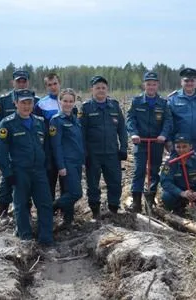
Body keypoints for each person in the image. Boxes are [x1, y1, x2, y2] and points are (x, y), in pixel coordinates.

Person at [0, 89, 53, 246]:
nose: (26, 106)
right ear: (15, 103)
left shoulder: (39, 122)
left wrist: (47, 166)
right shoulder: (7, 124)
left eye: (29, 102)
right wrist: (8, 173)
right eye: (23, 103)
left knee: (45, 204)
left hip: (39, 171)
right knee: (20, 205)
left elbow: (46, 147)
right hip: (20, 172)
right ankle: (25, 239)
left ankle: (46, 239)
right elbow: (0, 153)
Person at [80, 76, 128, 219]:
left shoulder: (114, 106)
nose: (101, 90)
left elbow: (122, 129)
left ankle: (113, 210)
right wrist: (84, 153)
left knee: (115, 182)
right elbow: (81, 133)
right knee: (93, 184)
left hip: (112, 153)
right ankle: (95, 211)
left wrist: (124, 148)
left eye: (103, 88)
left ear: (107, 90)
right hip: (93, 154)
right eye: (97, 88)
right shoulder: (86, 108)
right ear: (92, 90)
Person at [0, 70, 33, 217]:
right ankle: (3, 210)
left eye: (24, 81)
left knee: (27, 181)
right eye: (18, 81)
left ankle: (25, 208)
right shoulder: (3, 100)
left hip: (25, 150)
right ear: (13, 82)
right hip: (7, 150)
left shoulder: (34, 99)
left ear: (28, 82)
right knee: (7, 178)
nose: (21, 83)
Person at [126, 71, 172, 212]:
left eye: (154, 84)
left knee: (153, 171)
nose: (151, 87)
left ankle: (150, 200)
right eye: (148, 84)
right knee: (139, 171)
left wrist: (163, 135)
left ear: (157, 85)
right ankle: (137, 203)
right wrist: (133, 134)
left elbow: (168, 121)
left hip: (156, 143)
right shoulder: (136, 101)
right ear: (144, 85)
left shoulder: (163, 103)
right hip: (141, 142)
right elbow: (130, 119)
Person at [49, 88, 85, 228]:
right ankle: (50, 208)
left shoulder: (75, 120)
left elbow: (78, 142)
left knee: (68, 191)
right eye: (65, 101)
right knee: (76, 193)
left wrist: (82, 161)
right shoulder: (56, 120)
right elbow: (56, 145)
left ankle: (68, 220)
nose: (68, 104)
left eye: (71, 101)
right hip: (67, 162)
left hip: (76, 162)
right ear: (60, 101)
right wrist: (61, 166)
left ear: (74, 102)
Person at [160, 134, 196, 219]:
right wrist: (181, 193)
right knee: (166, 197)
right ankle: (178, 211)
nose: (181, 150)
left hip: (195, 193)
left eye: (184, 147)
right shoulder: (170, 162)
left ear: (190, 147)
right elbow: (165, 182)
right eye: (178, 147)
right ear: (174, 147)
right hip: (179, 194)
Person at [34, 73, 65, 200]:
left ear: (60, 83)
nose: (53, 87)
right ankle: (50, 210)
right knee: (49, 181)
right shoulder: (41, 105)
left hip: (65, 149)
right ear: (46, 87)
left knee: (67, 182)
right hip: (49, 150)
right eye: (49, 85)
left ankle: (65, 211)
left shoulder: (68, 101)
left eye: (55, 84)